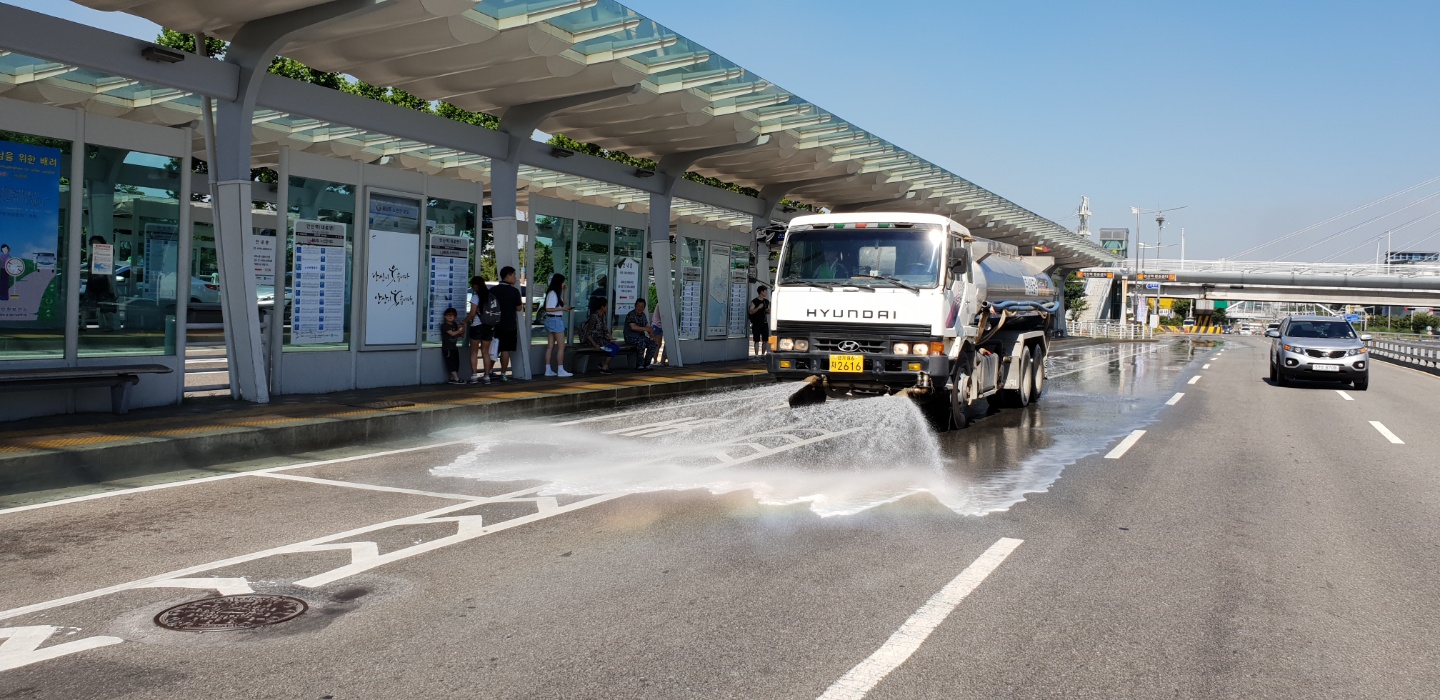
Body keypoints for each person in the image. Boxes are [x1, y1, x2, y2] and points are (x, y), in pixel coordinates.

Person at [490, 266, 525, 381]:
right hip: (509, 325)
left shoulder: (493, 291)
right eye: (514, 275)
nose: (516, 278)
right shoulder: (514, 291)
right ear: (508, 275)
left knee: (493, 349)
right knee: (505, 350)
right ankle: (503, 374)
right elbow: (519, 308)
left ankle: (488, 371)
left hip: (493, 325)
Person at [462, 275, 494, 384]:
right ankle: (487, 376)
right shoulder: (490, 296)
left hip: (477, 327)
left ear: (476, 286)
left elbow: (472, 314)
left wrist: (464, 321)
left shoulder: (476, 297)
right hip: (489, 327)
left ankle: (474, 376)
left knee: (474, 352)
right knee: (486, 352)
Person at [541, 273, 574, 377]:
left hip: (552, 320)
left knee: (550, 346)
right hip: (555, 320)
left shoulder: (554, 292)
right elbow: (548, 308)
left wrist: (565, 291)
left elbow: (563, 302)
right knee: (561, 346)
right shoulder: (553, 294)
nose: (564, 283)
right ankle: (560, 369)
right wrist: (562, 309)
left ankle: (548, 369)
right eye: (563, 281)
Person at [579, 296, 616, 374]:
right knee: (611, 349)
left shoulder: (603, 316)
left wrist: (611, 338)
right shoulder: (594, 317)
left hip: (602, 338)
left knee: (616, 347)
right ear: (602, 307)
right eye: (606, 305)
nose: (607, 307)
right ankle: (604, 367)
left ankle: (603, 364)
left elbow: (605, 330)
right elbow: (588, 333)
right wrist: (595, 345)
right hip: (594, 339)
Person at [623, 298, 658, 370]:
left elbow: (647, 326)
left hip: (641, 337)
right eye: (638, 306)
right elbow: (633, 327)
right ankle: (640, 364)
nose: (640, 308)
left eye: (642, 307)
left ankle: (647, 364)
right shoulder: (631, 314)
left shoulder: (643, 315)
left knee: (653, 344)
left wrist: (651, 335)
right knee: (641, 342)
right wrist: (646, 329)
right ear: (635, 306)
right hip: (630, 337)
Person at [440, 307, 464, 385]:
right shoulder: (444, 326)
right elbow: (452, 333)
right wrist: (460, 330)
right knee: (450, 364)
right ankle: (457, 379)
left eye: (452, 315)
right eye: (448, 315)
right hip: (447, 348)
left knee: (456, 363)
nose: (450, 316)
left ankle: (452, 378)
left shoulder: (454, 324)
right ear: (444, 316)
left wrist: (462, 331)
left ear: (455, 317)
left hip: (454, 347)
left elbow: (457, 335)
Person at [748, 285, 771, 359]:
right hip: (756, 323)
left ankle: (763, 354)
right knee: (756, 340)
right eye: (765, 291)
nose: (766, 292)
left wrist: (768, 310)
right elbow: (751, 311)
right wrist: (758, 308)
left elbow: (769, 311)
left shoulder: (766, 301)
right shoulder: (755, 301)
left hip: (764, 323)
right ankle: (756, 355)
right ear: (761, 292)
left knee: (765, 340)